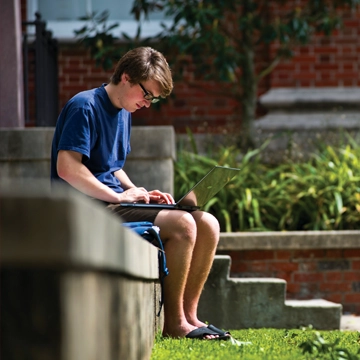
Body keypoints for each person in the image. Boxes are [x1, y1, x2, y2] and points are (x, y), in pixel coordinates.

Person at [51, 47, 230, 340]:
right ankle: (175, 324)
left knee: (208, 223)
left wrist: (135, 190)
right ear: (126, 77)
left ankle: (190, 316)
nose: (148, 104)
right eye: (147, 95)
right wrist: (119, 197)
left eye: (154, 99)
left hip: (111, 202)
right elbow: (68, 168)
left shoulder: (124, 112)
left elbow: (111, 167)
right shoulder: (84, 107)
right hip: (87, 209)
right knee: (184, 225)